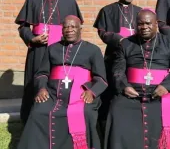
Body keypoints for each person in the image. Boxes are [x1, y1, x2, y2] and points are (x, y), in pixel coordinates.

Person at [17, 15, 108, 149]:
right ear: (62, 30)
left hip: (81, 95)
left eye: (73, 27)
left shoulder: (93, 50)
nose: (69, 30)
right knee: (38, 111)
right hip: (53, 95)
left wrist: (92, 92)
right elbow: (42, 73)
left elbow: (101, 79)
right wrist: (42, 89)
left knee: (85, 113)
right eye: (66, 27)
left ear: (80, 29)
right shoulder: (52, 48)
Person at [104, 8, 170, 149]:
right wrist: (124, 86)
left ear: (156, 24)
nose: (144, 27)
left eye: (148, 23)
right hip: (132, 93)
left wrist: (166, 86)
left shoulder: (169, 43)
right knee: (116, 108)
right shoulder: (126, 44)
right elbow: (118, 70)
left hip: (162, 92)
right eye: (141, 24)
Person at [15, 0, 83, 124]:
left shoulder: (69, 2)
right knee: (35, 81)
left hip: (62, 50)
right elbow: (23, 27)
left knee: (59, 80)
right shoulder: (32, 1)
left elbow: (77, 27)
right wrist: (33, 38)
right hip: (38, 50)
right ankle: (30, 120)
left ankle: (60, 117)